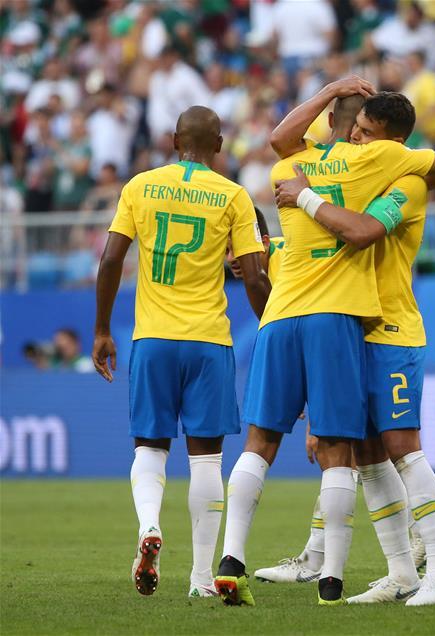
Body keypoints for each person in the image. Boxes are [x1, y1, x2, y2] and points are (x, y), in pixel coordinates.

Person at [214, 78, 435, 607]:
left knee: (402, 446)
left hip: (392, 328)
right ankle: (401, 571)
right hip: (350, 326)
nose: (355, 140)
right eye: (354, 130)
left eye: (367, 134)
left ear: (390, 144)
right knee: (369, 455)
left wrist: (304, 197)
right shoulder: (362, 170)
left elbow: (363, 231)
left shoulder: (405, 182)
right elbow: (294, 154)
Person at [92, 106, 271, 599]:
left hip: (152, 338)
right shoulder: (233, 195)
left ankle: (149, 525)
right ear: (219, 145)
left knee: (150, 449)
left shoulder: (139, 186)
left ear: (174, 141)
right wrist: (273, 328)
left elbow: (110, 258)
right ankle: (199, 580)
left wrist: (103, 329)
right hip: (209, 341)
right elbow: (253, 276)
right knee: (208, 460)